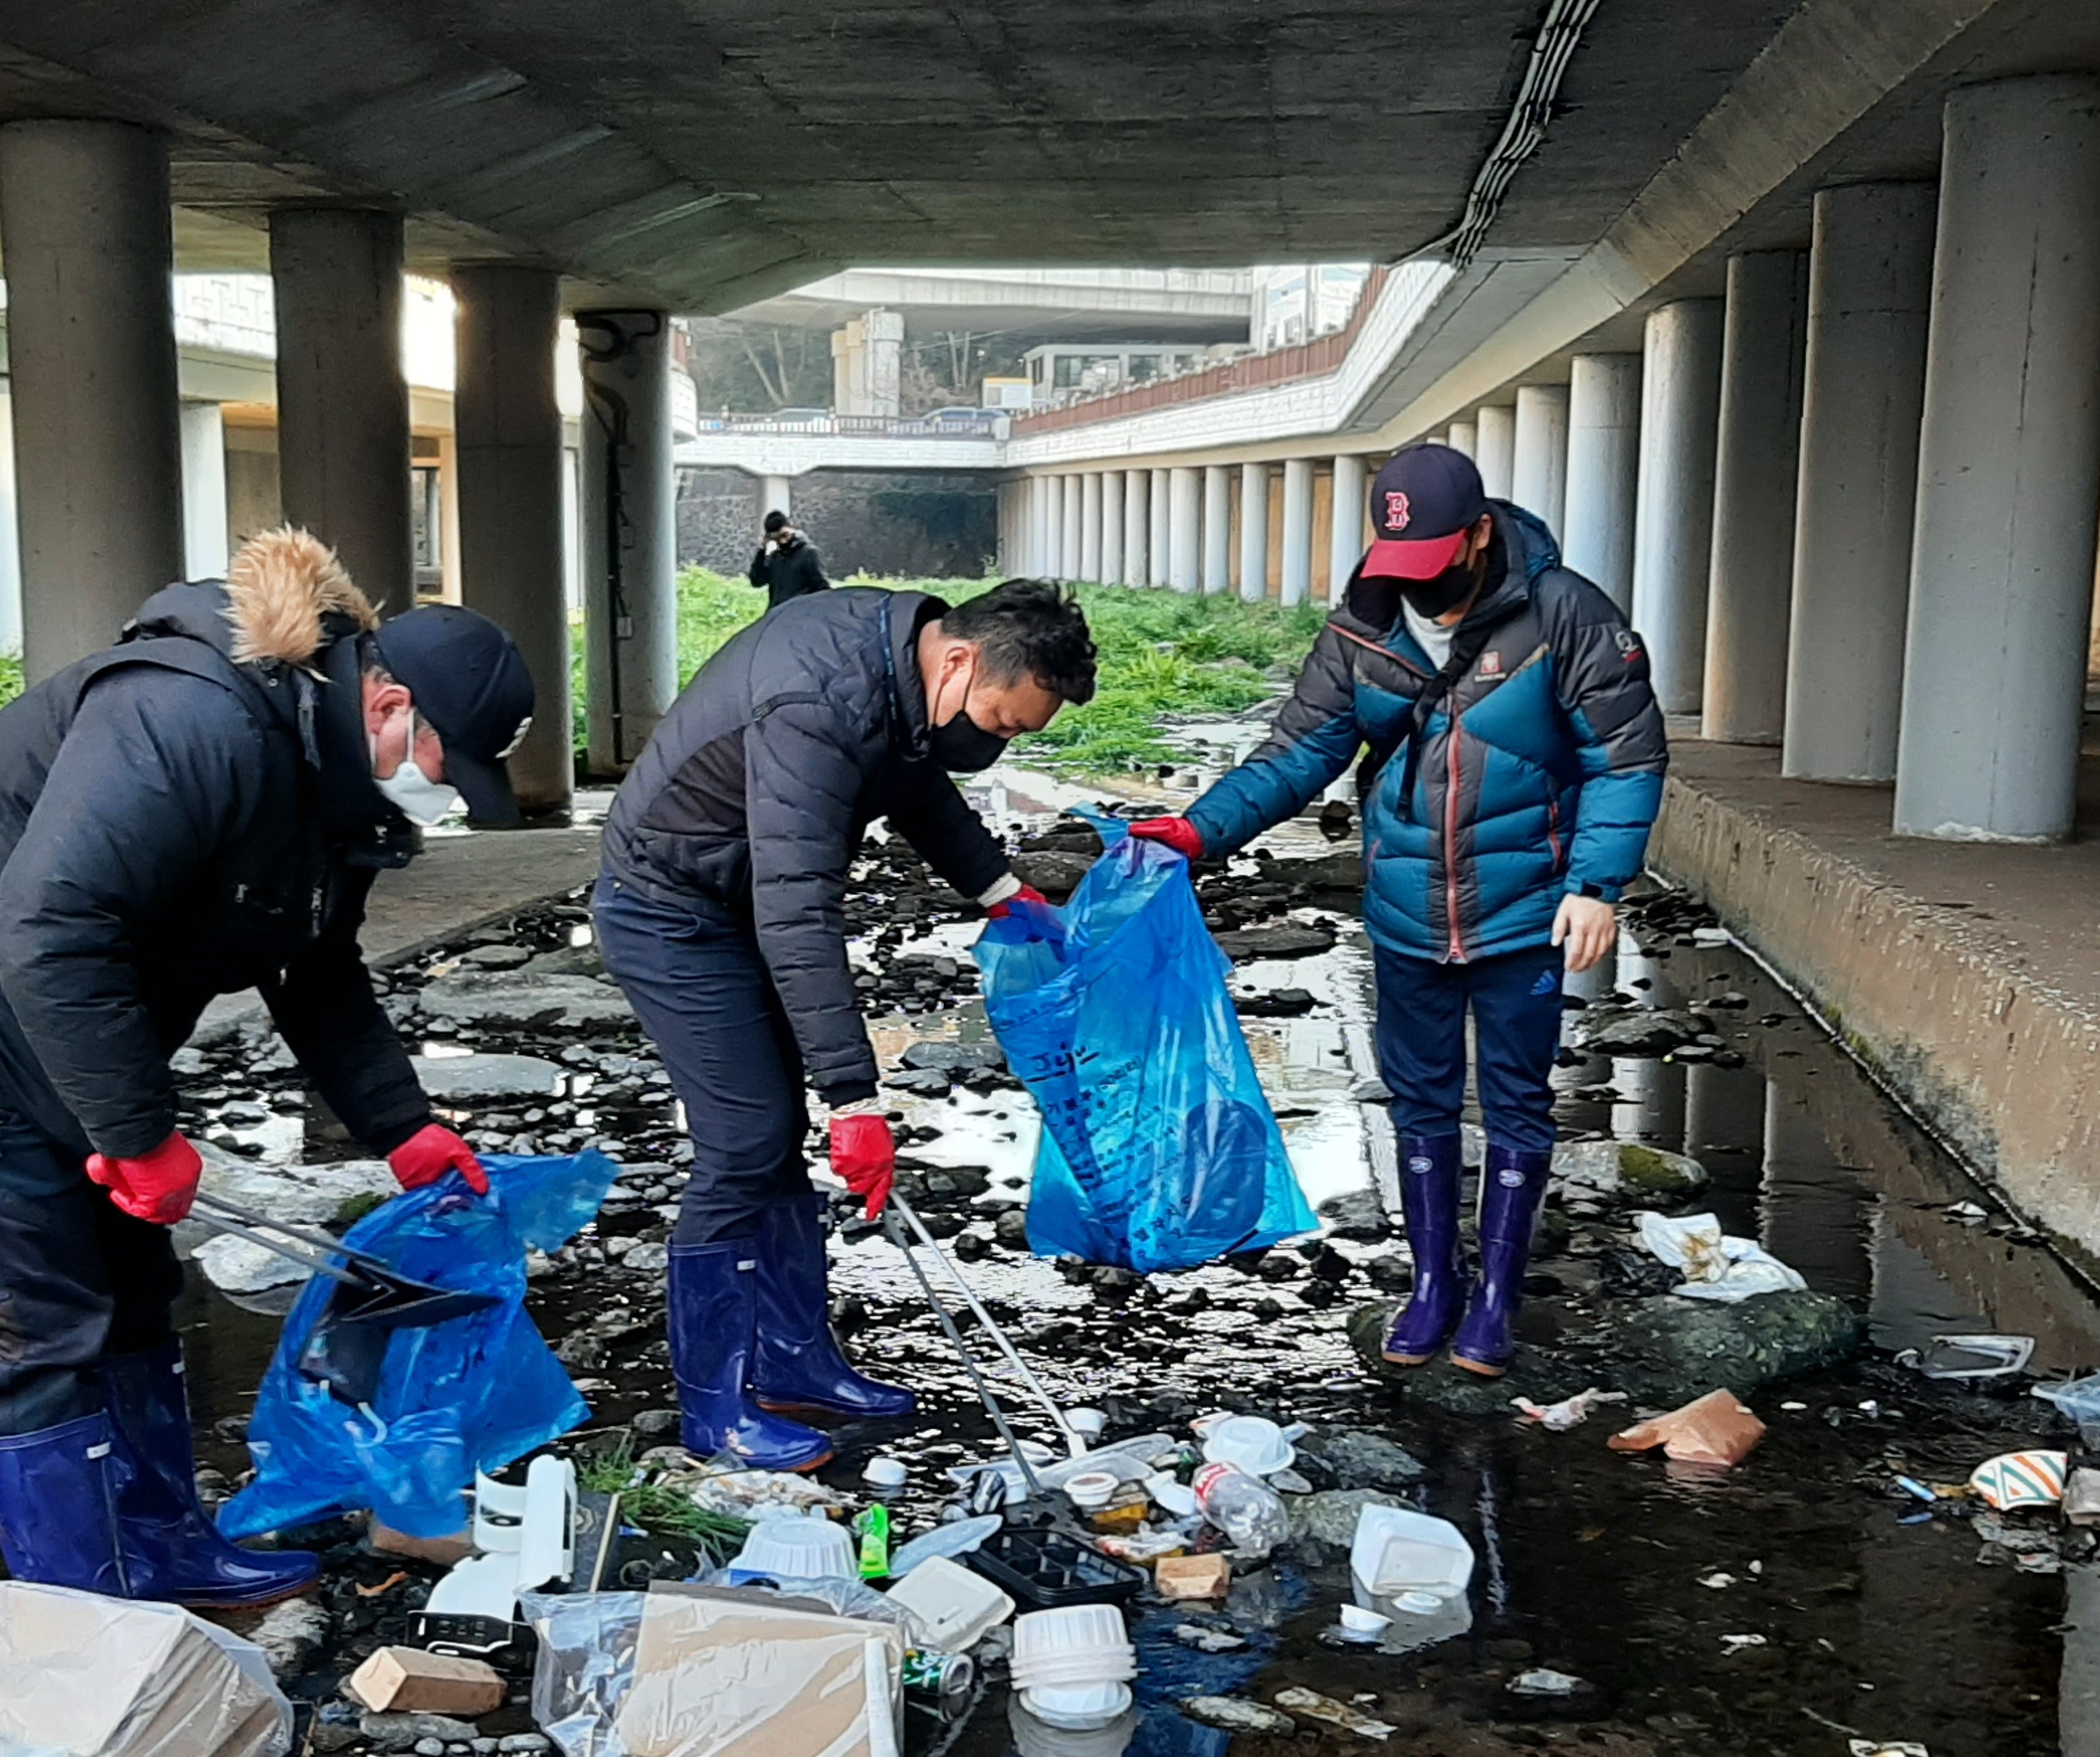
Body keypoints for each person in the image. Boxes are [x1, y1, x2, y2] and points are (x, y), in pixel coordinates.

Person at [0, 527, 535, 1604]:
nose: (447, 795)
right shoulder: (190, 715)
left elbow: (316, 970)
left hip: (61, 1021)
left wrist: (402, 1127)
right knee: (40, 1319)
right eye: (443, 765)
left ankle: (166, 1552)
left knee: (135, 1287)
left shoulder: (333, 790)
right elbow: (47, 925)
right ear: (386, 705)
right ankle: (77, 1622)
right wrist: (137, 1135)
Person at [1127, 444, 1661, 1377]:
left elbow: (1626, 754)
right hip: (1405, 910)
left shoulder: (1566, 612)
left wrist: (1596, 885)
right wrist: (1197, 833)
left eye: (1435, 564)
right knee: (1417, 1098)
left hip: (1526, 906)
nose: (1420, 587)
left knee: (1516, 1100)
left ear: (1481, 534)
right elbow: (1299, 752)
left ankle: (1495, 1298)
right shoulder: (1365, 624)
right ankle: (1432, 1285)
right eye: (1400, 563)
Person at [597, 579, 1098, 1470]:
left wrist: (1001, 891)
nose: (994, 742)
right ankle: (716, 1409)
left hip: (738, 893)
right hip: (669, 903)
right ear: (960, 660)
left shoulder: (901, 664)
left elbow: (916, 786)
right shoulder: (817, 700)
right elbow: (797, 907)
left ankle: (793, 1362)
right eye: (1001, 721)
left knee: (774, 1132)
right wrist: (854, 1097)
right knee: (744, 1139)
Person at [747, 510, 830, 606]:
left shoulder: (809, 553)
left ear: (791, 527)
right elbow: (756, 581)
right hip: (779, 613)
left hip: (801, 613)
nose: (782, 541)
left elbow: (822, 587)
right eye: (776, 538)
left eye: (784, 535)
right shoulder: (775, 557)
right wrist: (761, 552)